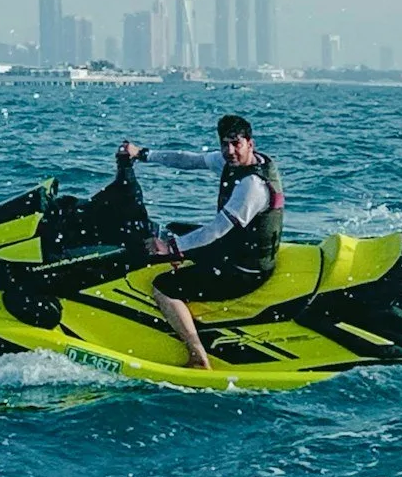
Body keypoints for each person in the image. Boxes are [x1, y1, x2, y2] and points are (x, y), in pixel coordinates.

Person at [116, 115, 284, 371]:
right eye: (225, 144)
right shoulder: (235, 162)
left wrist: (172, 248)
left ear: (250, 143)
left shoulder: (252, 186)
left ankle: (198, 357)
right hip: (235, 248)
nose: (230, 151)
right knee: (173, 229)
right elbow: (188, 160)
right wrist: (142, 154)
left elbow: (217, 230)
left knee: (164, 287)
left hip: (245, 270)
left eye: (236, 144)